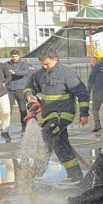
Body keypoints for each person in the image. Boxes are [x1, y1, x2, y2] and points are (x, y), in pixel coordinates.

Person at [24, 48, 90, 180]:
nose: (44, 66)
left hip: (63, 114)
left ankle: (36, 171)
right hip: (49, 115)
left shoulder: (67, 74)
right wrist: (29, 95)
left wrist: (84, 113)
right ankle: (75, 175)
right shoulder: (40, 74)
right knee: (59, 144)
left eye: (47, 64)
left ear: (56, 59)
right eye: (42, 64)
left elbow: (82, 93)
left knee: (46, 136)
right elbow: (30, 86)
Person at [2, 49, 34, 133]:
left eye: (16, 56)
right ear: (10, 56)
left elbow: (24, 72)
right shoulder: (6, 64)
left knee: (22, 109)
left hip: (20, 89)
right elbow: (3, 74)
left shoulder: (24, 64)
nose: (14, 58)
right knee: (8, 110)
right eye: (12, 56)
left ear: (19, 56)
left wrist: (15, 72)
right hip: (9, 90)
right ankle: (5, 128)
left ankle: (24, 126)